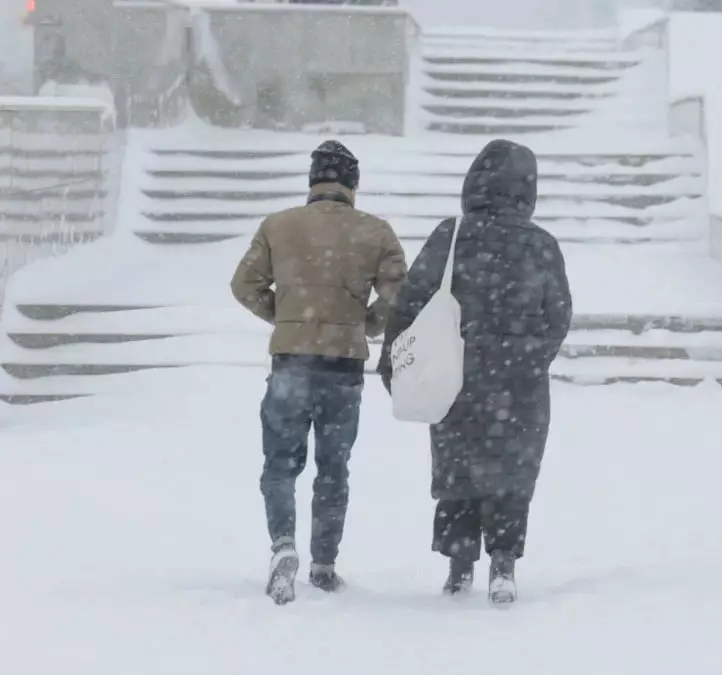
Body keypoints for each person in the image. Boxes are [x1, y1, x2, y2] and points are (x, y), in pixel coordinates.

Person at [376, 139, 572, 606]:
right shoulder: (541, 245)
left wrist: (393, 364)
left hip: (454, 376)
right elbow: (559, 315)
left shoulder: (452, 234)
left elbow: (412, 302)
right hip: (518, 386)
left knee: (458, 470)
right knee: (511, 473)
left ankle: (458, 566)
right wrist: (528, 358)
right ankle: (503, 564)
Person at [231, 140, 407, 605]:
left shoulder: (278, 226)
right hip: (343, 367)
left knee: (280, 466)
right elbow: (397, 297)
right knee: (333, 468)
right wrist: (364, 323)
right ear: (352, 184)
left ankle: (283, 545)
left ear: (313, 182)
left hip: (290, 362)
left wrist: (286, 318)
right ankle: (324, 565)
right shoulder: (376, 231)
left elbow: (242, 284)